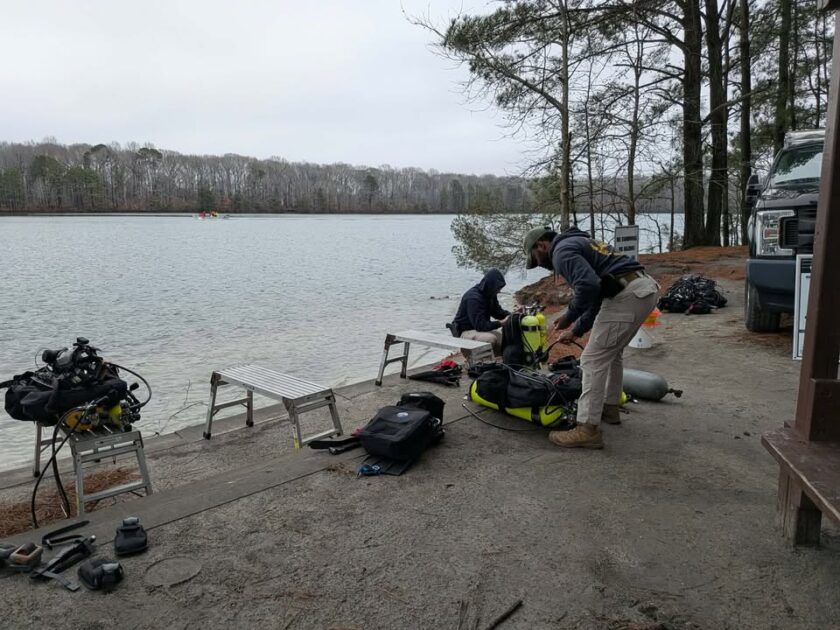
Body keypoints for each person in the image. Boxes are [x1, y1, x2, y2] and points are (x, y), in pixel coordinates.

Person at [524, 226, 658, 449]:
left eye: (536, 258)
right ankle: (610, 407)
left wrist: (570, 315)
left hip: (627, 294)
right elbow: (597, 293)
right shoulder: (578, 243)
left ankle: (587, 428)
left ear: (541, 245)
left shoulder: (561, 251)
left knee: (591, 360)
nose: (540, 264)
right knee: (612, 354)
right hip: (643, 289)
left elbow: (588, 286)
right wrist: (577, 329)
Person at [450, 268, 510, 355]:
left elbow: (498, 313)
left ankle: (494, 359)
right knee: (491, 339)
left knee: (505, 340)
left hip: (479, 329)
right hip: (465, 332)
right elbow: (480, 325)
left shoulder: (490, 294)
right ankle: (475, 359)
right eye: (498, 288)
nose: (499, 291)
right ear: (490, 285)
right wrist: (501, 323)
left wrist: (513, 315)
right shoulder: (473, 298)